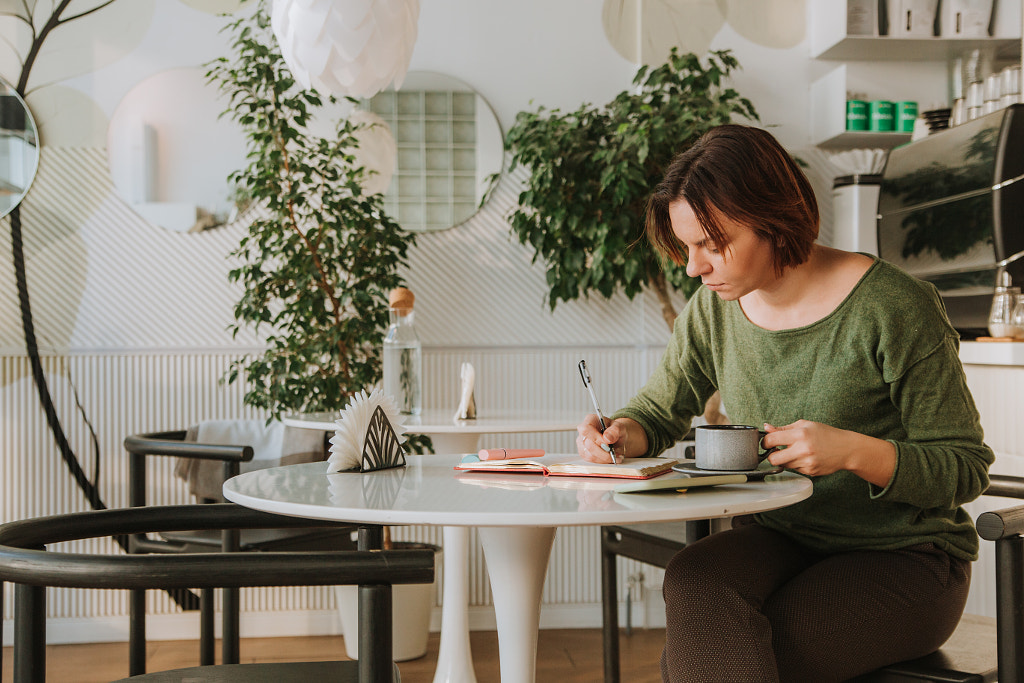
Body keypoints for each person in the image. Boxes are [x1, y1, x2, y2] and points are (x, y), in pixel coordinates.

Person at [575, 124, 993, 683]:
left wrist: (852, 452)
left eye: (712, 244)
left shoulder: (895, 307)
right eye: (686, 246)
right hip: (778, 538)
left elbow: (963, 469)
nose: (693, 267)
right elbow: (659, 408)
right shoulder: (714, 310)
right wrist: (623, 430)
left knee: (697, 663)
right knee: (693, 577)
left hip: (906, 559)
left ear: (774, 219)